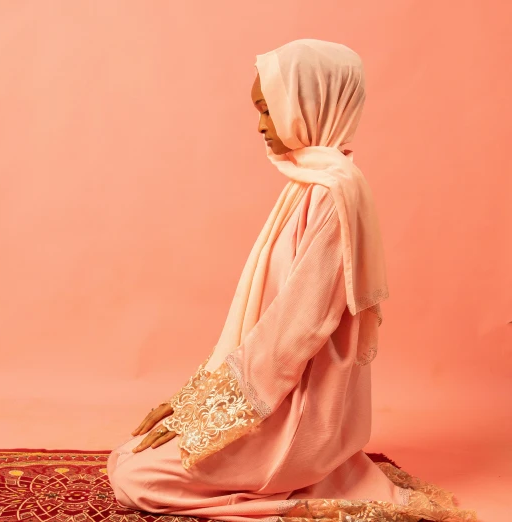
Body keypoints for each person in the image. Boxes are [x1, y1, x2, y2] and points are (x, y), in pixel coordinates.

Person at [106, 39, 475, 522]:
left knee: (136, 476)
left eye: (268, 109)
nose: (261, 126)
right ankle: (292, 471)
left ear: (308, 104)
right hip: (279, 392)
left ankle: (296, 485)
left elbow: (296, 329)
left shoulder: (334, 193)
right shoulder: (312, 183)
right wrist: (192, 405)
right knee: (131, 454)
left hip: (299, 411)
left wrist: (205, 413)